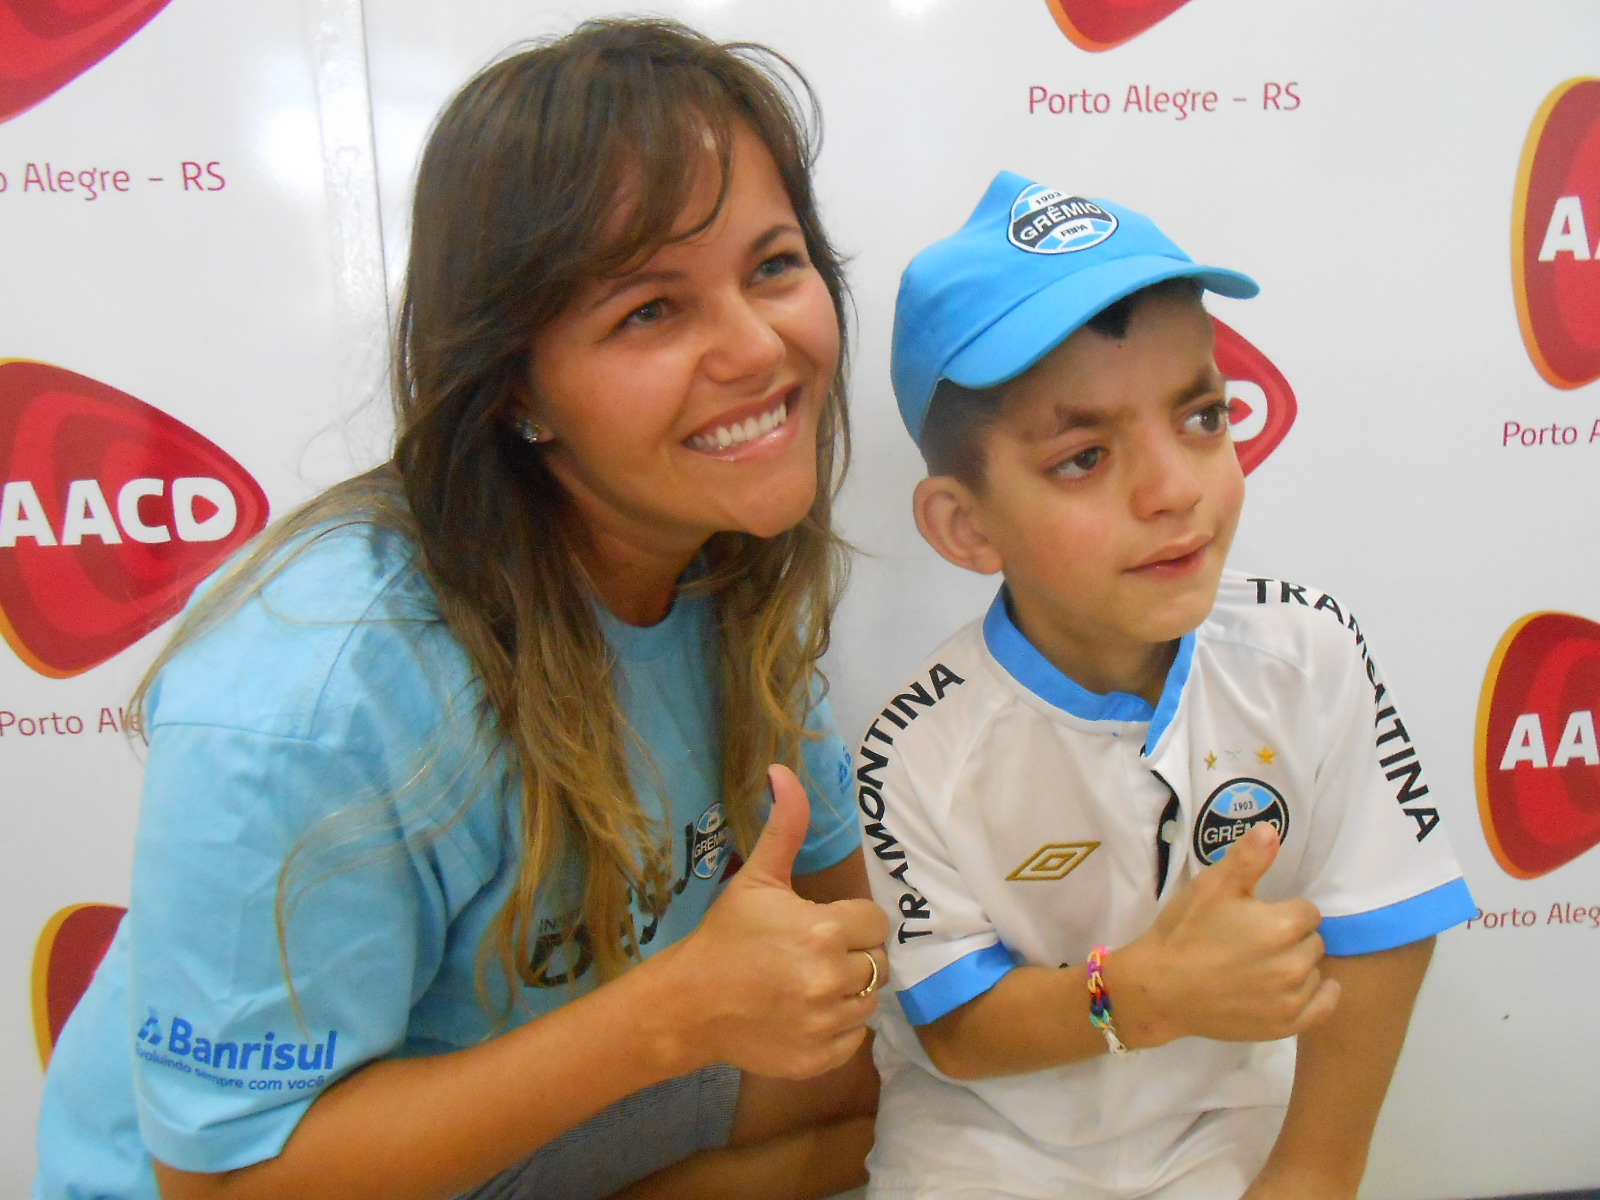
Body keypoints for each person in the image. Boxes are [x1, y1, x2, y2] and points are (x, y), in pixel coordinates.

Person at [35, 20, 890, 1200]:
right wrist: (672, 1017)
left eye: (773, 265)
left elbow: (845, 985)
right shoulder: (316, 690)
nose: (759, 348)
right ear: (516, 390)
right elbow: (220, 1187)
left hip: (538, 1117)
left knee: (884, 1103)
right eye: (650, 310)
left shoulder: (719, 550)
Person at [856, 172, 1478, 1199]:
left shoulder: (1306, 651)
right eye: (1084, 455)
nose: (1174, 489)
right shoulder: (914, 746)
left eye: (1200, 417)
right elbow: (959, 1034)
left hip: (1228, 1125)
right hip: (986, 1145)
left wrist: (1316, 1169)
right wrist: (1137, 995)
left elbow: (1386, 921)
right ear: (965, 527)